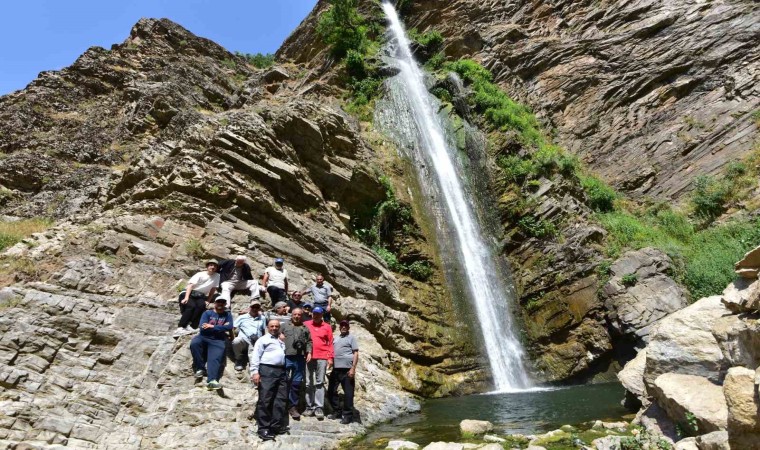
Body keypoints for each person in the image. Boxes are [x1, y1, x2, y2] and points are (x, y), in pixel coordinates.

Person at [250, 319, 288, 441]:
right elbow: (255, 355)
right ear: (267, 327)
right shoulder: (263, 340)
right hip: (267, 370)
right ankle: (263, 428)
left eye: (276, 326)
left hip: (281, 371)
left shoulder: (281, 340)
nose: (274, 328)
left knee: (280, 399)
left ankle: (276, 426)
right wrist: (255, 372)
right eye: (272, 326)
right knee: (265, 399)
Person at [189, 297, 233, 390]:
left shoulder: (227, 315)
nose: (220, 304)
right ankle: (200, 368)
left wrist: (212, 326)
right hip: (203, 337)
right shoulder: (207, 313)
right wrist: (221, 327)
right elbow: (202, 327)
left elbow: (229, 326)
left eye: (223, 302)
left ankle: (212, 380)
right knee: (194, 344)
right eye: (218, 302)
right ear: (215, 303)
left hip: (218, 340)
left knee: (215, 358)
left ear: (225, 304)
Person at [279, 308, 312, 420]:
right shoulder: (284, 326)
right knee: (283, 381)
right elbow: (273, 334)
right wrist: (279, 336)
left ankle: (293, 407)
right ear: (291, 315)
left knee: (296, 384)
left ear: (301, 316)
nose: (297, 316)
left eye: (299, 314)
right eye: (295, 314)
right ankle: (282, 406)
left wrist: (309, 352)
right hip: (286, 356)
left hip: (299, 358)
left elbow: (309, 341)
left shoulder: (305, 328)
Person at [174, 260, 221, 338]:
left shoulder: (217, 276)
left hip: (200, 296)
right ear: (207, 267)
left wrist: (208, 300)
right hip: (188, 293)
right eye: (211, 265)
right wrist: (186, 298)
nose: (212, 267)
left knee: (202, 306)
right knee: (191, 306)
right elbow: (190, 286)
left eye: (215, 266)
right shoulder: (200, 274)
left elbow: (213, 289)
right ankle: (180, 327)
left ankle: (191, 326)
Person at [303, 307, 333, 420]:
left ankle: (319, 407)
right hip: (308, 357)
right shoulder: (305, 324)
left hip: (322, 357)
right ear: (312, 314)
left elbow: (330, 343)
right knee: (308, 382)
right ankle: (309, 406)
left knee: (320, 382)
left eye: (318, 314)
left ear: (322, 315)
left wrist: (330, 358)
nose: (316, 316)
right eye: (315, 313)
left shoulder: (327, 327)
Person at [327, 320, 359, 424]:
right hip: (336, 369)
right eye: (342, 325)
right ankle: (337, 411)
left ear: (348, 327)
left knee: (348, 394)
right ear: (339, 327)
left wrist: (353, 368)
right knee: (331, 391)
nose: (343, 327)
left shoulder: (352, 338)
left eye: (345, 326)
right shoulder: (336, 338)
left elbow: (355, 353)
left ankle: (348, 415)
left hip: (347, 370)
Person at [232, 301, 266, 372]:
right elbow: (233, 327)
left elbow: (263, 330)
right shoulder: (242, 317)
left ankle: (254, 374)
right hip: (244, 340)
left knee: (254, 361)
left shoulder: (262, 318)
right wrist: (233, 336)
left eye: (257, 307)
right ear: (250, 308)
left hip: (255, 341)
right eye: (253, 307)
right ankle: (238, 359)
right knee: (236, 341)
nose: (255, 309)